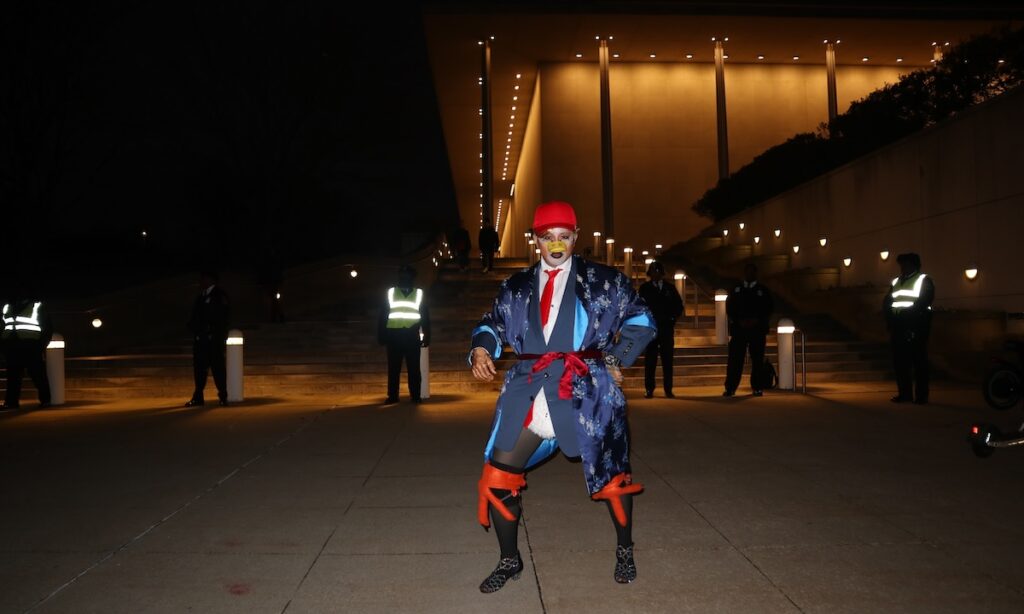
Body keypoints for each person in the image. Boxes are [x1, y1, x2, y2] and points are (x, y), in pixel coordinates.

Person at [470, 201, 656, 591]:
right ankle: (510, 560)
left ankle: (625, 549)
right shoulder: (515, 286)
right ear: (535, 240)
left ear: (575, 237)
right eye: (547, 238)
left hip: (588, 392)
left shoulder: (606, 281)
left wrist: (617, 358)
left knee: (613, 479)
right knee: (498, 475)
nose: (556, 245)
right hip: (530, 392)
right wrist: (483, 348)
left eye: (564, 237)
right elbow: (492, 324)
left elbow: (642, 320)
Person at [883, 252, 935, 404]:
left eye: (905, 264)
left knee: (919, 361)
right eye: (901, 265)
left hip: (916, 326)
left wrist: (906, 319)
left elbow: (923, 302)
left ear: (914, 265)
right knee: (900, 362)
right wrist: (891, 321)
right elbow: (887, 302)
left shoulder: (923, 280)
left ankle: (921, 396)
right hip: (898, 326)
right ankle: (905, 394)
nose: (902, 267)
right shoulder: (897, 281)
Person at [378, 264, 431, 404]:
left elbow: (425, 316)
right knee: (393, 368)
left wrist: (426, 335)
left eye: (407, 275)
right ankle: (393, 396)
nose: (405, 278)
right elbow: (383, 315)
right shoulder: (391, 292)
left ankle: (415, 396)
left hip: (411, 335)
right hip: (394, 336)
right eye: (402, 275)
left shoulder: (419, 293)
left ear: (412, 278)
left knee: (414, 368)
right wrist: (382, 334)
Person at [723, 262, 774, 397]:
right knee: (735, 360)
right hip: (739, 330)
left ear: (755, 273)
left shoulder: (763, 291)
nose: (749, 274)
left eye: (752, 272)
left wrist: (757, 321)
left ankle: (757, 387)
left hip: (757, 331)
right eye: (747, 271)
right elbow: (730, 308)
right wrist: (738, 321)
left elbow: (768, 309)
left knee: (757, 360)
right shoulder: (736, 290)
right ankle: (730, 387)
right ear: (744, 273)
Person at [638, 260, 684, 398]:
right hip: (651, 330)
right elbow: (639, 307)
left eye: (658, 272)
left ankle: (668, 389)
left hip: (666, 329)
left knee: (667, 360)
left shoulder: (670, 288)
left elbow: (678, 306)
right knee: (650, 361)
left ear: (662, 273)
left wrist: (671, 319)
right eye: (653, 272)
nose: (655, 274)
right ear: (650, 274)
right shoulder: (645, 288)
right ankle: (649, 389)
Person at [2, 288, 53, 409]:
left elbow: (47, 328)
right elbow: (3, 326)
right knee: (13, 377)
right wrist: (3, 345)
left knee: (38, 375)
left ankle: (45, 400)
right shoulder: (7, 307)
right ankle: (11, 402)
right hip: (12, 347)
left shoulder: (37, 306)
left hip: (31, 346)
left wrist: (40, 345)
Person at [185, 271, 230, 407]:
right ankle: (198, 396)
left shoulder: (219, 295)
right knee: (199, 369)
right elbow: (195, 316)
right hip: (202, 340)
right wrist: (194, 329)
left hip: (213, 340)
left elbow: (223, 317)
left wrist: (218, 335)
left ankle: (223, 396)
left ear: (211, 280)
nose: (201, 282)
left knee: (218, 369)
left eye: (203, 279)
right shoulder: (201, 296)